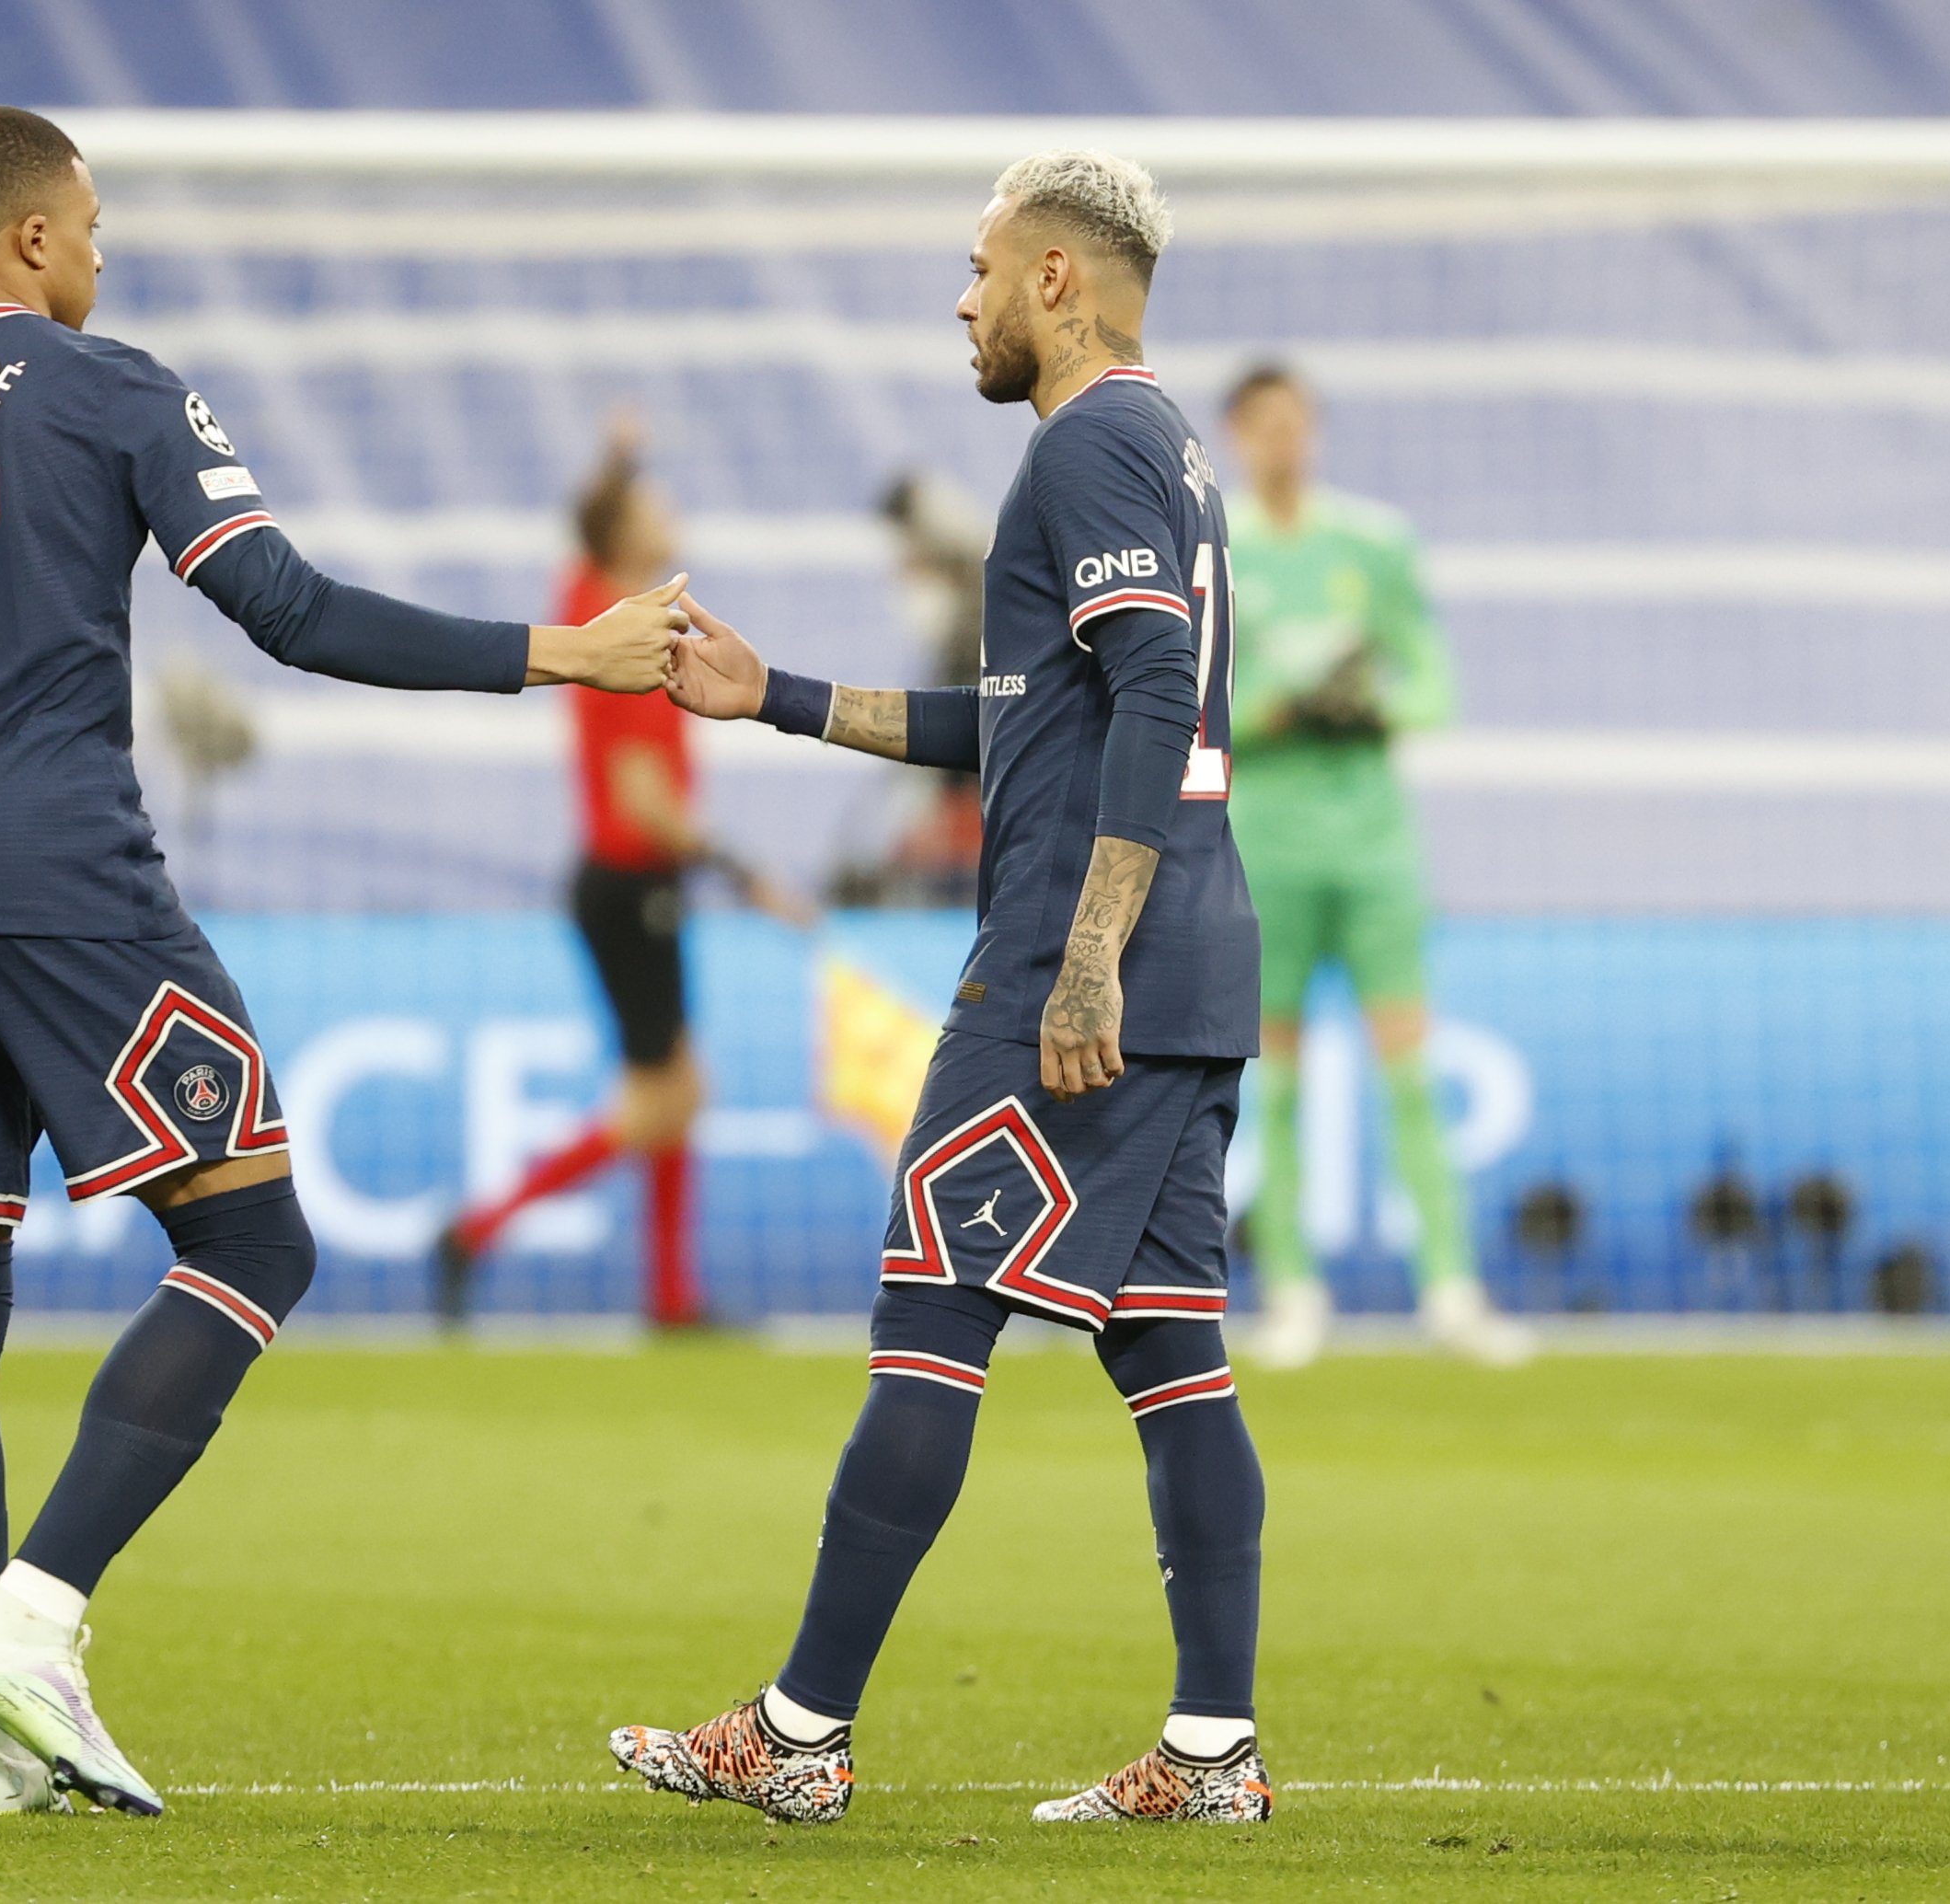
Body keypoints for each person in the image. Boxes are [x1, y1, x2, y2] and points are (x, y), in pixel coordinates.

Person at [0, 107, 684, 1818]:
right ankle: (39, 1614)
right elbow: (288, 609)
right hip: (62, 871)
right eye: (88, 222)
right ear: (26, 239)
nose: (101, 250)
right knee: (253, 1229)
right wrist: (563, 653)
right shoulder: (116, 387)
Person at [614, 149, 1273, 1829]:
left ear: (1057, 277)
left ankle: (799, 1730)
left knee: (931, 1312)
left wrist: (1083, 954)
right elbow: (1028, 715)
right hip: (1194, 964)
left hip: (1083, 970)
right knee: (1170, 1348)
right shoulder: (1156, 445)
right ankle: (1211, 1750)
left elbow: (1150, 691)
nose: (959, 299)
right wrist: (776, 698)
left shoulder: (1093, 440)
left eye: (979, 267)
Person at [433, 419, 802, 1330]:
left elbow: (585, 538)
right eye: (650, 505)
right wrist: (739, 868)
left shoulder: (597, 600)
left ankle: (668, 1295)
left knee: (675, 1088)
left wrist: (619, 460)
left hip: (625, 886)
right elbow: (645, 801)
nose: (668, 515)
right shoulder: (629, 642)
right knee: (667, 1096)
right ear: (624, 533)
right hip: (633, 886)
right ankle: (482, 1229)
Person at [1220, 364, 1530, 1369]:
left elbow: (1435, 681)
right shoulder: (1212, 549)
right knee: (1270, 1077)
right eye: (1263, 425)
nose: (1282, 441)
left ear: (1312, 432)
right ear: (1235, 434)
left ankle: (1449, 1287)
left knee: (1408, 1065)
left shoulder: (1375, 543)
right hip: (1268, 840)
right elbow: (1188, 706)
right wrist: (1276, 704)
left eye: (1295, 423)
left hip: (1373, 841)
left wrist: (1377, 707)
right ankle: (1293, 1292)